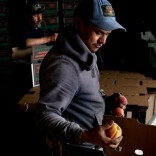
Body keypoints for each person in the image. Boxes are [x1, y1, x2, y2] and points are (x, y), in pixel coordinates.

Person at [34, 0, 127, 155]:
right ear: (79, 23)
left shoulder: (86, 53)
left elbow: (80, 98)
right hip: (73, 150)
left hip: (89, 146)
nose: (103, 41)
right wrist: (86, 135)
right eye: (98, 33)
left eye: (107, 35)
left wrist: (108, 102)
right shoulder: (64, 66)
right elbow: (44, 117)